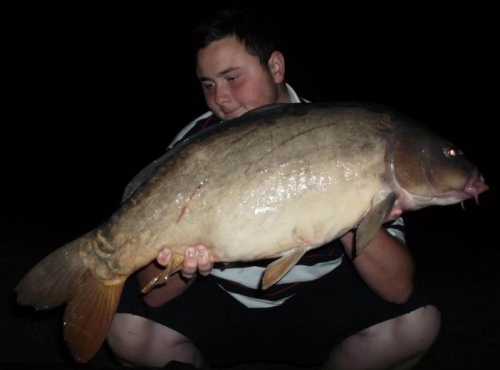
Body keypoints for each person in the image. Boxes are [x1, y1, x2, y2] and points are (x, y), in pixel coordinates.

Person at [107, 7, 441, 370]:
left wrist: (353, 214)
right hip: (223, 302)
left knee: (415, 325)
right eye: (208, 85)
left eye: (233, 78)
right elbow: (155, 297)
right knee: (128, 331)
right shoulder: (193, 147)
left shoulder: (348, 135)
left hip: (317, 300)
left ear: (276, 68)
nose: (221, 98)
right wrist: (184, 270)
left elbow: (398, 289)